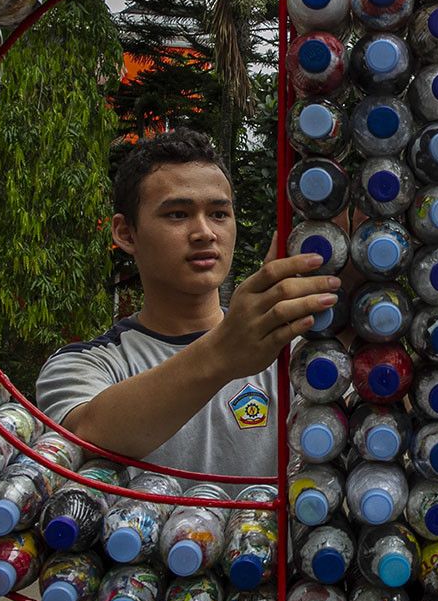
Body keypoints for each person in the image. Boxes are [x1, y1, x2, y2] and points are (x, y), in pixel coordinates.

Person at [35, 130, 340, 480]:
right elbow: (88, 434)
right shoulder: (86, 364)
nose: (205, 232)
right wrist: (225, 351)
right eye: (177, 214)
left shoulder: (293, 354)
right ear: (125, 233)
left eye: (219, 214)